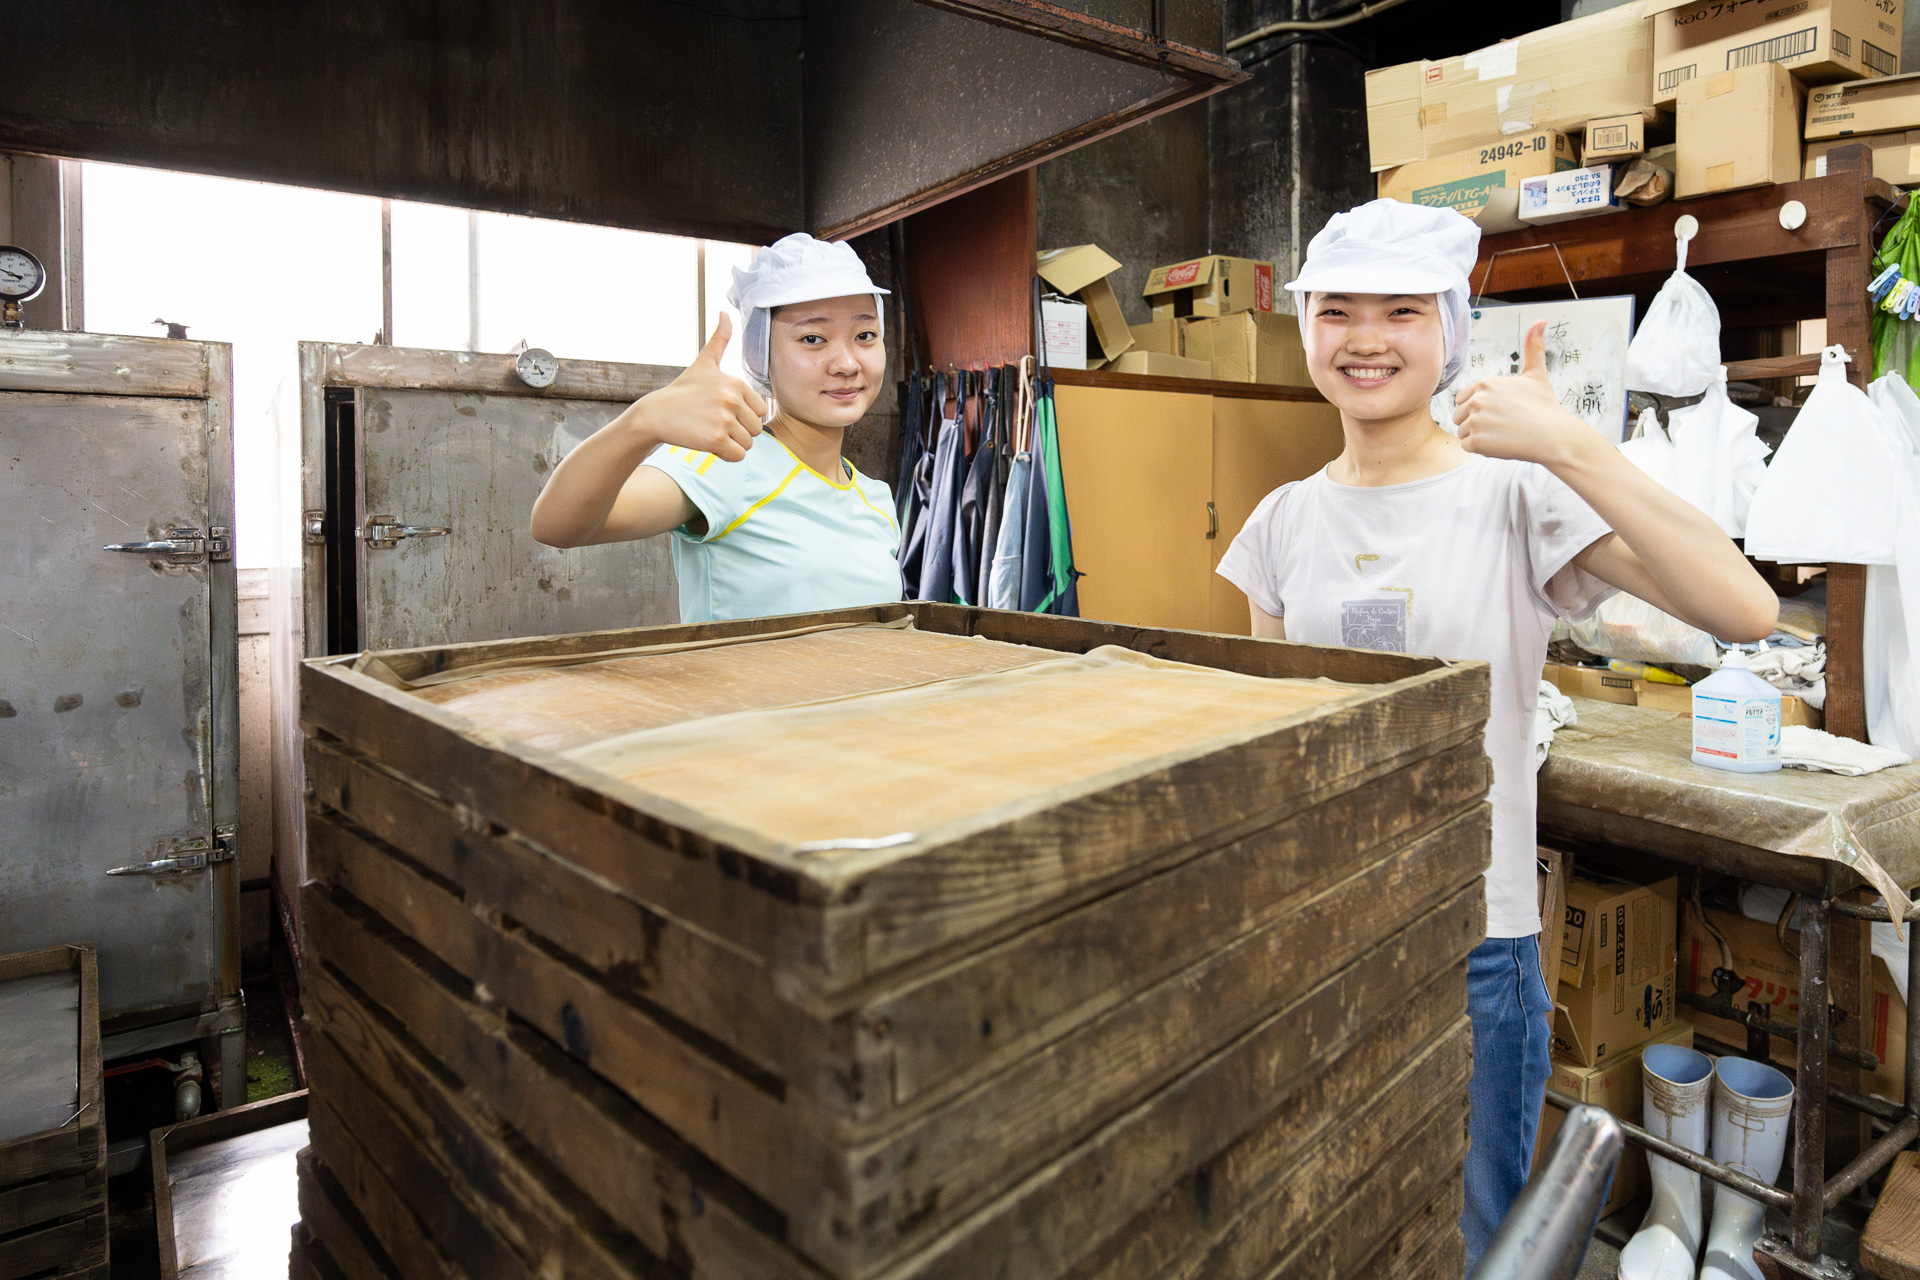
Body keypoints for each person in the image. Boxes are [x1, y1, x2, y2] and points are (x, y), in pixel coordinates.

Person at [1215, 200, 1778, 1267]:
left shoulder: (1517, 493)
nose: (1366, 338)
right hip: (1327, 932)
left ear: (1450, 327)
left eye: (1401, 310)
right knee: (1337, 1224)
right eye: (1337, 310)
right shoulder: (1281, 523)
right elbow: (1274, 748)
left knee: (1478, 1244)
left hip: (1475, 936)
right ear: (1305, 329)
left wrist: (1570, 441)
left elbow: (1742, 608)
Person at [530, 234, 903, 622]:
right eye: (813, 338)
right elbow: (558, 526)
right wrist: (642, 423)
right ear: (760, 355)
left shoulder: (875, 499)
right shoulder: (728, 461)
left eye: (865, 336)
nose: (846, 363)